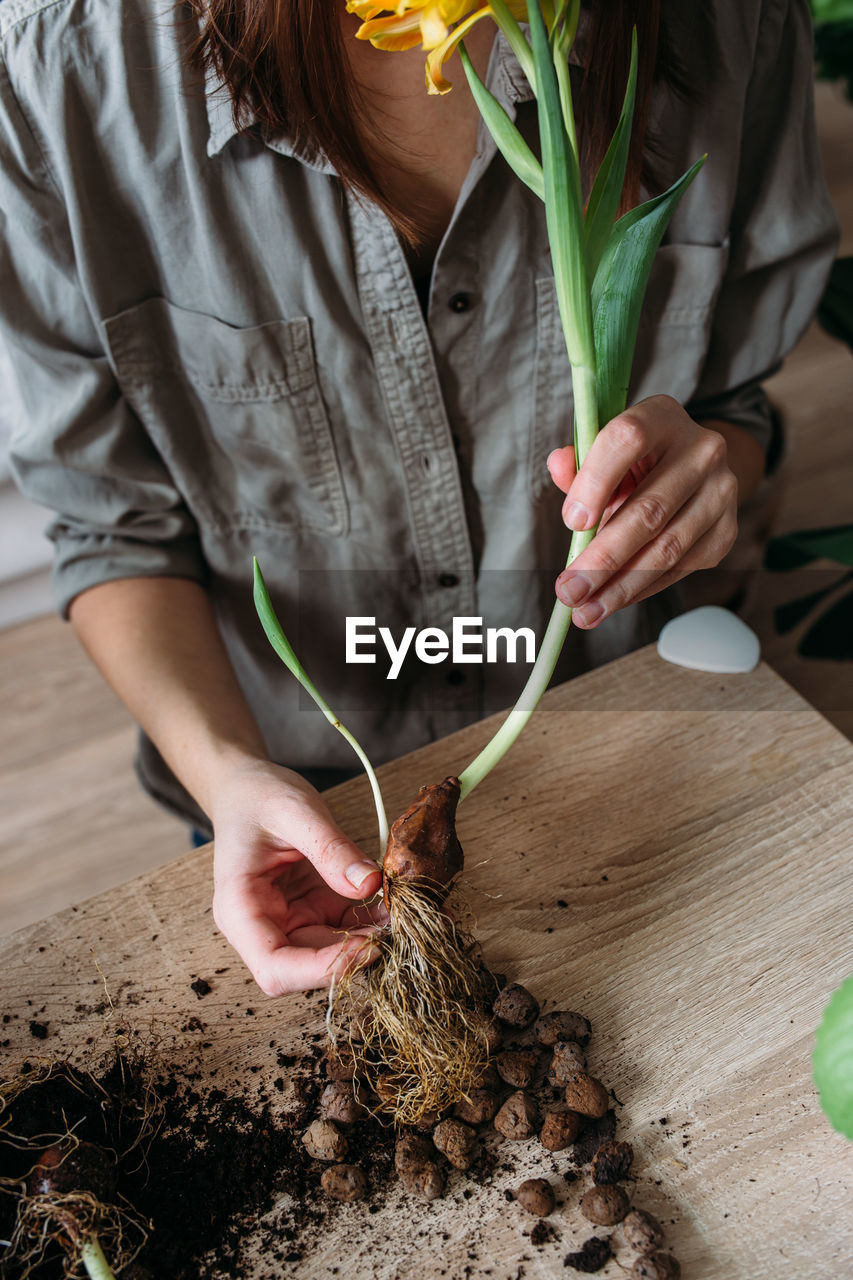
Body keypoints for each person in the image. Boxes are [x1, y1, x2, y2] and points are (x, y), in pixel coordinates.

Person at [0, 0, 838, 995]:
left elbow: (733, 407)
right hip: (295, 795)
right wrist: (226, 774)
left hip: (627, 723)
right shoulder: (62, 71)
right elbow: (112, 524)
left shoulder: (726, 25)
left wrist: (709, 476)